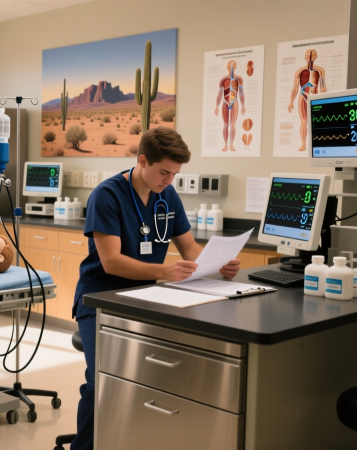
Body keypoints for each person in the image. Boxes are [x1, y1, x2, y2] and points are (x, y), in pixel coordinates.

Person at [69, 128, 241, 450]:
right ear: (142, 160)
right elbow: (111, 262)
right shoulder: (107, 195)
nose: (169, 180)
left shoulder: (167, 195)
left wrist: (220, 265)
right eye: (164, 172)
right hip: (101, 297)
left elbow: (189, 248)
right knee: (102, 381)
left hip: (147, 296)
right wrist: (165, 271)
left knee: (149, 377)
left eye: (175, 174)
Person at [288, 48, 326, 151]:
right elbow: (295, 88)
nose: (310, 57)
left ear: (316, 57)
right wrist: (291, 101)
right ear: (305, 57)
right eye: (308, 55)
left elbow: (323, 87)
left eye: (312, 56)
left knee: (316, 121)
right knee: (304, 121)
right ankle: (303, 143)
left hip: (315, 96)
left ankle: (315, 144)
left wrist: (326, 100)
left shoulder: (320, 70)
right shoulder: (300, 71)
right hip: (302, 96)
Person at [214, 60, 246, 152]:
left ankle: (231, 144)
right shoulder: (223, 79)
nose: (232, 67)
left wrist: (243, 105)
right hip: (225, 101)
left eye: (234, 65)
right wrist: (216, 106)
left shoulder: (239, 79)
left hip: (234, 102)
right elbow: (220, 94)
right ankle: (225, 145)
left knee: (232, 124)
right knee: (225, 124)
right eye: (230, 65)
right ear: (227, 67)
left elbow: (241, 93)